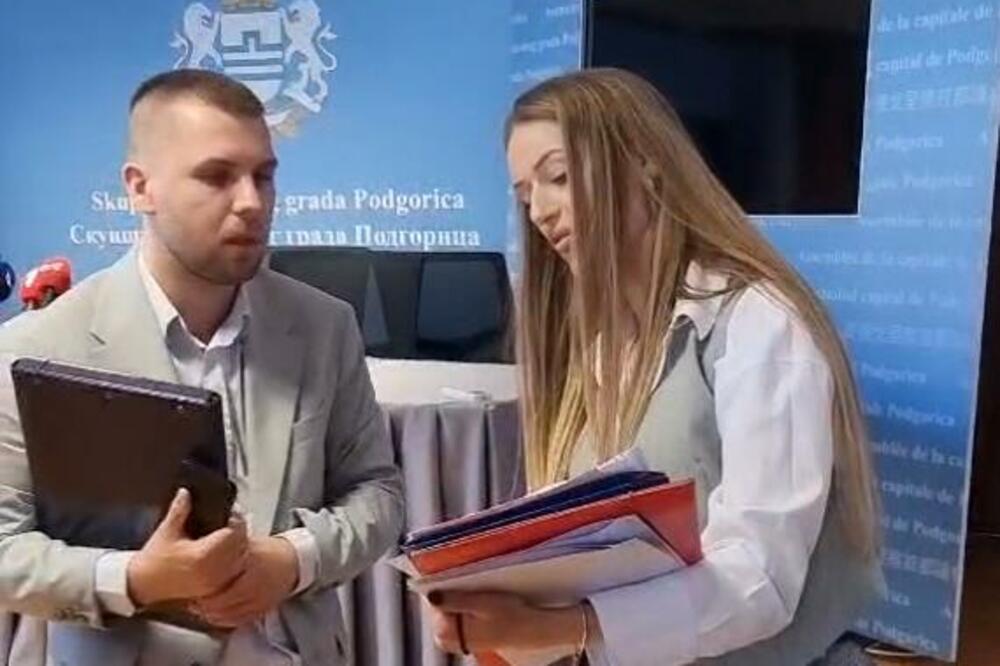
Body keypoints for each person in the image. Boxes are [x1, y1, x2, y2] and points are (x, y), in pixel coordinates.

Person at [427, 68, 882, 665]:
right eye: (525, 195)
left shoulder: (760, 324)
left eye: (558, 177)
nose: (540, 212)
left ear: (646, 165)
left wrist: (567, 627)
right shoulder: (596, 352)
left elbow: (760, 578)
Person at [0, 69, 403, 665]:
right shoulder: (35, 348)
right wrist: (133, 579)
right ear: (140, 188)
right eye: (217, 177)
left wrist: (293, 559)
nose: (252, 202)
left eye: (263, 176)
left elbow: (378, 493)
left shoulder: (325, 327)